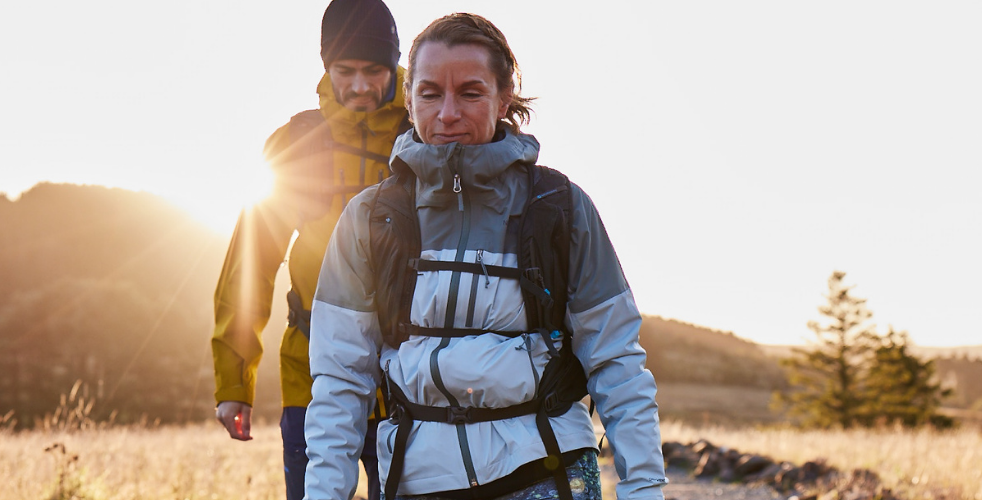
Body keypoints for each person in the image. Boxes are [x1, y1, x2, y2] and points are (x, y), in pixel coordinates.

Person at [303, 13, 666, 500]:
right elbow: (340, 380)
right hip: (419, 478)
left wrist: (643, 486)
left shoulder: (559, 206)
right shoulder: (368, 218)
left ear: (504, 97)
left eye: (470, 93)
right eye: (430, 93)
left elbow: (616, 359)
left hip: (547, 471)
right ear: (409, 101)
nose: (448, 113)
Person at [208, 1, 406, 500]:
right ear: (325, 68)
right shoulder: (299, 143)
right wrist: (235, 384)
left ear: (394, 67)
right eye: (346, 71)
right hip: (311, 376)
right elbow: (250, 265)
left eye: (374, 71)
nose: (360, 85)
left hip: (408, 378)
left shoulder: (422, 135)